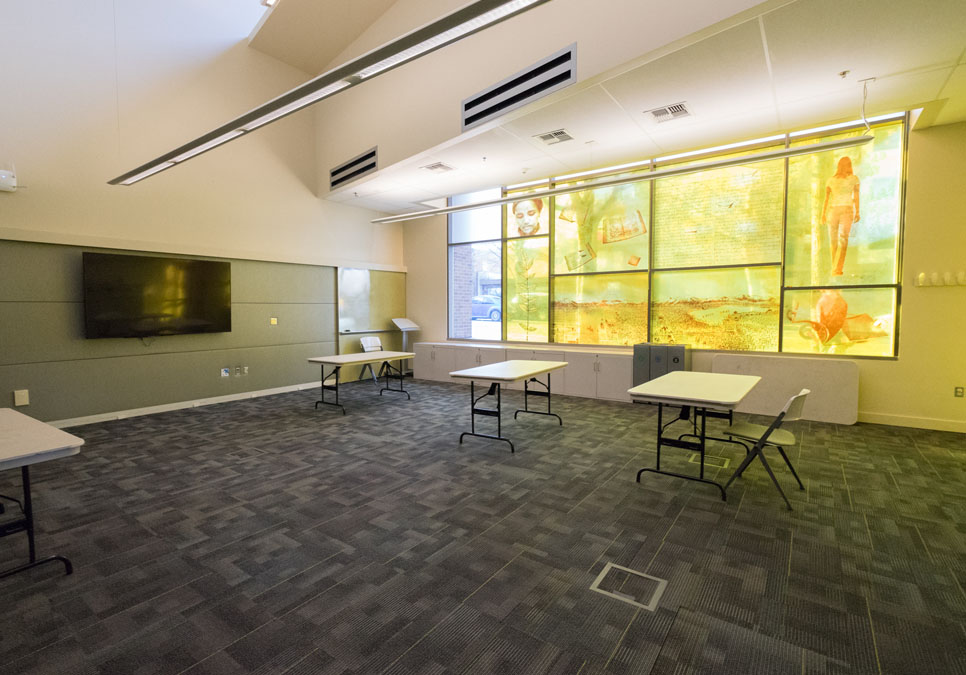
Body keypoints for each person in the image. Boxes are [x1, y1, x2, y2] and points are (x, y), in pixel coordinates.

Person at [821, 156, 860, 276]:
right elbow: (856, 196)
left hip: (834, 210)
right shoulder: (853, 179)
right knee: (841, 240)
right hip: (844, 210)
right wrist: (857, 211)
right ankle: (836, 269)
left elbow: (826, 199)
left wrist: (823, 214)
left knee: (835, 240)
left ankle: (835, 268)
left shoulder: (832, 180)